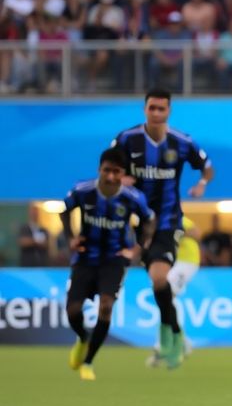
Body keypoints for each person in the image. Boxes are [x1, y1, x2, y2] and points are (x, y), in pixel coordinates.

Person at [110, 88, 214, 369]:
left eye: (161, 109)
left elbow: (207, 166)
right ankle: (173, 333)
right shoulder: (126, 139)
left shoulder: (181, 142)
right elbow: (109, 170)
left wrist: (202, 183)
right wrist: (120, 180)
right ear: (144, 109)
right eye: (152, 108)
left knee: (159, 278)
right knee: (159, 286)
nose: (156, 113)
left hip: (169, 221)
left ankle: (173, 338)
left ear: (169, 111)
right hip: (141, 224)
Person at [62, 148, 155, 381]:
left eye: (116, 171)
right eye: (107, 171)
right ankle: (83, 338)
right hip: (85, 258)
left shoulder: (132, 197)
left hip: (113, 260)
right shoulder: (82, 190)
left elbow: (149, 221)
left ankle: (89, 362)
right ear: (99, 170)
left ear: (123, 173)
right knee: (73, 311)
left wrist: (138, 248)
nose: (111, 176)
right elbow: (64, 212)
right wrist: (70, 237)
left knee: (106, 307)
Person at [147, 214, 200, 368]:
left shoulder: (178, 218)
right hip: (174, 263)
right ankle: (182, 342)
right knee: (166, 299)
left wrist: (177, 232)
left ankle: (163, 345)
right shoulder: (155, 221)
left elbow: (197, 233)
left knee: (166, 296)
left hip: (187, 262)